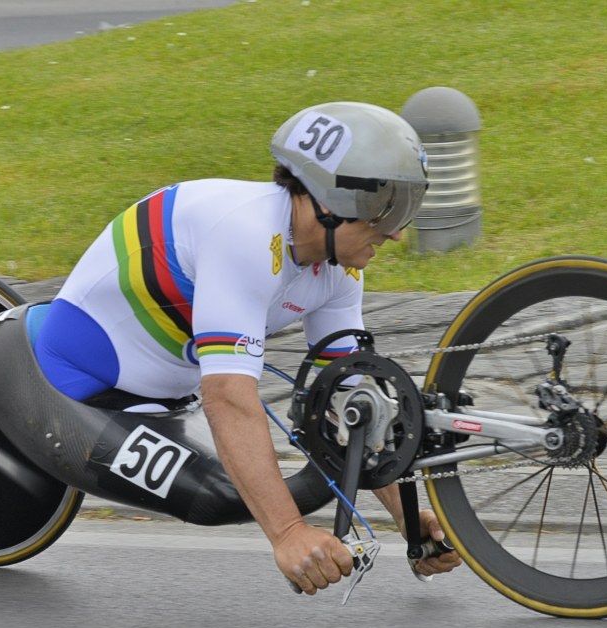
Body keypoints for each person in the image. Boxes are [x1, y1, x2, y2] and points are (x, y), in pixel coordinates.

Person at [33, 101, 463, 595]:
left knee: (260, 486)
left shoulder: (339, 269)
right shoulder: (246, 236)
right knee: (223, 499)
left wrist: (406, 516)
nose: (397, 232)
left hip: (164, 399)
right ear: (328, 201)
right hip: (77, 389)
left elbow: (351, 405)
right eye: (384, 209)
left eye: (405, 208)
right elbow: (228, 398)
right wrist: (286, 534)